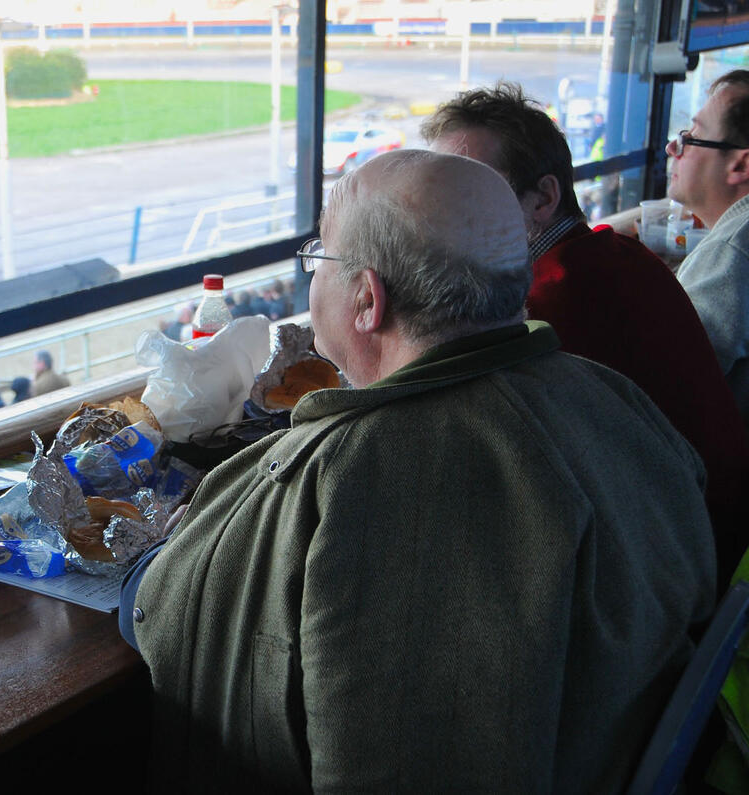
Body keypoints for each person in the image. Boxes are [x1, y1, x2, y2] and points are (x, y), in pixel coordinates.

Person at [119, 150, 716, 791]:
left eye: (320, 255)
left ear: (367, 300)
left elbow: (156, 611)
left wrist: (178, 548)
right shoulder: (614, 399)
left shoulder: (369, 477)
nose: (312, 272)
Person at [424, 81, 749, 584]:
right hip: (710, 550)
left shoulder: (542, 309)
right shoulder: (621, 258)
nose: (437, 218)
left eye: (471, 192)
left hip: (675, 584)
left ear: (543, 198)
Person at [669, 70, 749, 432]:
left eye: (693, 136)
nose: (674, 147)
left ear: (741, 165)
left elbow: (672, 380)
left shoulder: (732, 252)